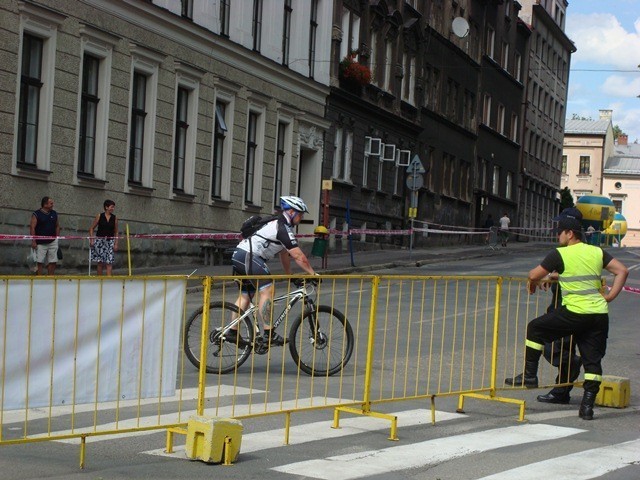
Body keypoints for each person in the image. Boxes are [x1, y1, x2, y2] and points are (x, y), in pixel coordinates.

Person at [506, 207, 628, 420]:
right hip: (598, 314)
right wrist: (608, 298)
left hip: (574, 312)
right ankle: (587, 407)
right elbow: (622, 271)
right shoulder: (596, 252)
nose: (557, 234)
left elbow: (534, 273)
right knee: (592, 361)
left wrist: (533, 280)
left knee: (535, 328)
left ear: (570, 233)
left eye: (560, 231)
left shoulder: (560, 253)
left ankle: (529, 376)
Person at [229, 196, 318, 348]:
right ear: (290, 211)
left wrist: (289, 276)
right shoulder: (280, 227)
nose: (301, 217)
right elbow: (298, 256)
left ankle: (232, 332)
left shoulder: (280, 225)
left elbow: (285, 254)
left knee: (246, 295)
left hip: (241, 256)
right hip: (248, 256)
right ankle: (268, 333)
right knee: (267, 288)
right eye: (300, 213)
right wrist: (313, 274)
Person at [30, 196, 60, 275]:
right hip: (40, 242)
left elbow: (57, 226)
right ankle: (39, 279)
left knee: (53, 261)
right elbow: (32, 228)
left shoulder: (54, 213)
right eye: (51, 203)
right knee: (39, 261)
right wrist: (33, 241)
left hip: (53, 242)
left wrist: (57, 238)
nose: (52, 205)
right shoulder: (36, 214)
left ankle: (50, 279)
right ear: (45, 204)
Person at [89, 200, 119, 276]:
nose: (113, 209)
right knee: (100, 262)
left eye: (113, 207)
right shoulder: (100, 216)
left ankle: (109, 281)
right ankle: (100, 280)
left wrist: (116, 243)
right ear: (106, 207)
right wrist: (92, 240)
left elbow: (116, 231)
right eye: (111, 207)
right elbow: (91, 228)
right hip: (100, 241)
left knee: (109, 262)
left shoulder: (114, 218)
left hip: (110, 241)